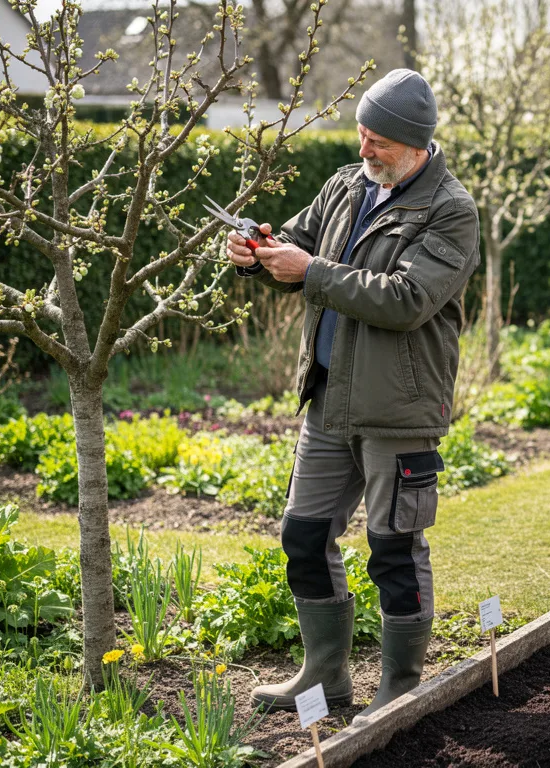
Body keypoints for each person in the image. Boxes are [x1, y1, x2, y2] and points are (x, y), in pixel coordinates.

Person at [224, 68, 480, 718]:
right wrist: (259, 252)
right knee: (304, 536)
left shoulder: (451, 209)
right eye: (362, 134)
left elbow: (406, 299)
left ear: (417, 145)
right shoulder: (345, 183)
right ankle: (323, 681)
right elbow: (299, 250)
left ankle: (399, 688)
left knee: (393, 546)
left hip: (399, 410)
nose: (365, 150)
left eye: (379, 142)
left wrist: (310, 271)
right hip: (329, 399)